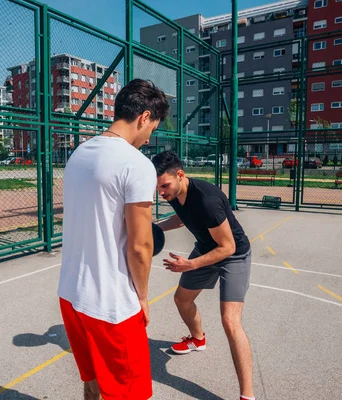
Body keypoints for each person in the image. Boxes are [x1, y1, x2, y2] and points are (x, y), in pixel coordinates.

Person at [58, 79, 169, 400]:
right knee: (129, 395)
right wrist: (144, 297)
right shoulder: (136, 164)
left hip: (71, 294)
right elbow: (141, 244)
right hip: (112, 304)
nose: (149, 139)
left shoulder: (79, 154)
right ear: (144, 117)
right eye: (153, 128)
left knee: (92, 381)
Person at [152, 151, 255, 400]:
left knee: (230, 321)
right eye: (157, 188)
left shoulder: (207, 199)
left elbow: (227, 247)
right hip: (205, 248)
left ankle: (247, 395)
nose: (161, 193)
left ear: (181, 175)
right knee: (182, 299)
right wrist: (154, 227)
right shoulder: (176, 193)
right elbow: (181, 219)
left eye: (164, 186)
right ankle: (198, 340)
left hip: (234, 255)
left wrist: (191, 264)